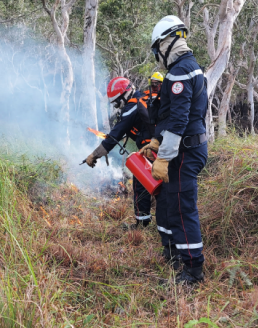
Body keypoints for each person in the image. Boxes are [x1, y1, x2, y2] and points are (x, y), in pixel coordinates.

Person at [140, 15, 208, 285]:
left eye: (158, 50)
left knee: (182, 208)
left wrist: (164, 157)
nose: (158, 57)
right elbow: (171, 115)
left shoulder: (180, 72)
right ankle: (176, 256)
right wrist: (157, 140)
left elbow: (180, 120)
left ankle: (193, 270)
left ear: (166, 43)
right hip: (187, 147)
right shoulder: (190, 67)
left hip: (185, 152)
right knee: (170, 203)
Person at [85, 77, 164, 235]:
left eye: (116, 102)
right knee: (163, 184)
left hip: (152, 150)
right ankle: (163, 221)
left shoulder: (130, 108)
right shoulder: (144, 97)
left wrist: (94, 155)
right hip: (166, 146)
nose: (117, 106)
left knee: (141, 182)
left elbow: (114, 137)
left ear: (124, 96)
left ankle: (142, 223)